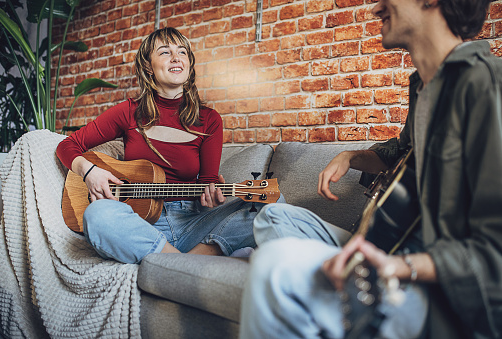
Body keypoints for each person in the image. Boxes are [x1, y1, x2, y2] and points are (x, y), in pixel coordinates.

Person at [239, 0, 502, 338]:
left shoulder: (485, 84)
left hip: (445, 297)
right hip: (391, 246)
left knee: (276, 267)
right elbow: (400, 154)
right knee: (275, 217)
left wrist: (400, 266)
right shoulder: (424, 90)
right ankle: (347, 269)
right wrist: (351, 155)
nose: (377, 8)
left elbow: (495, 251)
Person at [57, 27, 280, 264]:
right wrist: (89, 172)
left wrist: (211, 193)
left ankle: (187, 261)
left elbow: (207, 183)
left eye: (182, 52)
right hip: (140, 224)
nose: (176, 57)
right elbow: (67, 145)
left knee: (275, 202)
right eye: (165, 52)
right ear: (148, 67)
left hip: (194, 223)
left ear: (189, 64)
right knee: (97, 214)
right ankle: (187, 263)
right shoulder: (128, 112)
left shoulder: (209, 120)